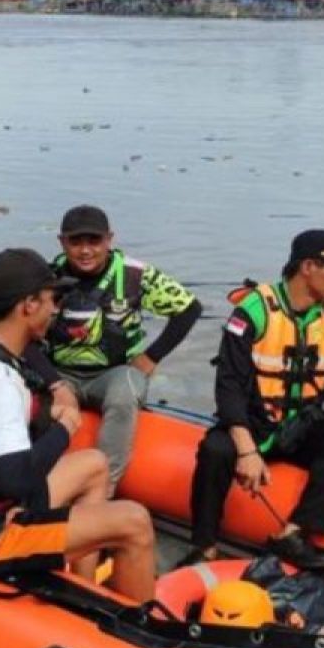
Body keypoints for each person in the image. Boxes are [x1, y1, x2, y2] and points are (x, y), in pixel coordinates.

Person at [0, 247, 155, 600]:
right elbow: (16, 481)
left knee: (95, 465)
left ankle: (84, 592)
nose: (55, 309)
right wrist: (64, 428)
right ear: (28, 306)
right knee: (135, 521)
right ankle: (141, 637)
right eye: (51, 299)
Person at [181, 230, 324, 570]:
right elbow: (228, 386)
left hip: (301, 426)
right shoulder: (253, 310)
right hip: (252, 425)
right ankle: (204, 545)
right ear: (308, 267)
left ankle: (292, 534)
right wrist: (247, 450)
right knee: (215, 450)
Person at [33, 205, 202, 486]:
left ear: (109, 240)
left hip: (115, 373)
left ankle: (103, 486)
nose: (85, 251)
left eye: (94, 241)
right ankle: (41, 481)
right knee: (34, 401)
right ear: (62, 242)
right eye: (76, 242)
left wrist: (151, 357)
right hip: (61, 374)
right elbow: (23, 333)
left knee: (124, 396)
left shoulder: (136, 275)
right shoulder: (46, 279)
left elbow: (189, 309)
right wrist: (54, 384)